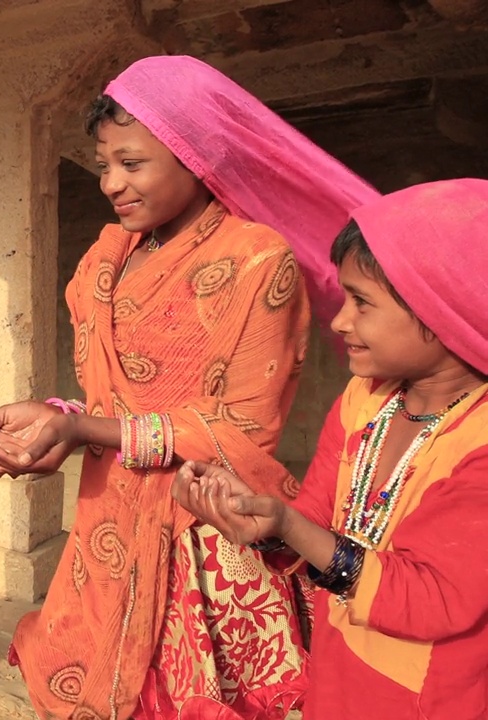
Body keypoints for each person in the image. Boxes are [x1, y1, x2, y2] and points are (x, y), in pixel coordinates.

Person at [0, 55, 379, 718]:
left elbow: (245, 426)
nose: (110, 183)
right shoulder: (106, 259)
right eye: (104, 164)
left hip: (201, 531)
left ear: (196, 156)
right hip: (107, 524)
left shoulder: (255, 260)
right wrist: (53, 426)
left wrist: (83, 430)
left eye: (132, 164)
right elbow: (109, 398)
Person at [172, 179, 488, 720]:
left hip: (431, 696)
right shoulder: (364, 403)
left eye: (361, 303)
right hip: (341, 678)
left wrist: (291, 528)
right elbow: (318, 519)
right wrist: (254, 518)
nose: (340, 321)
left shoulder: (477, 443)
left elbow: (436, 598)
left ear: (442, 311)